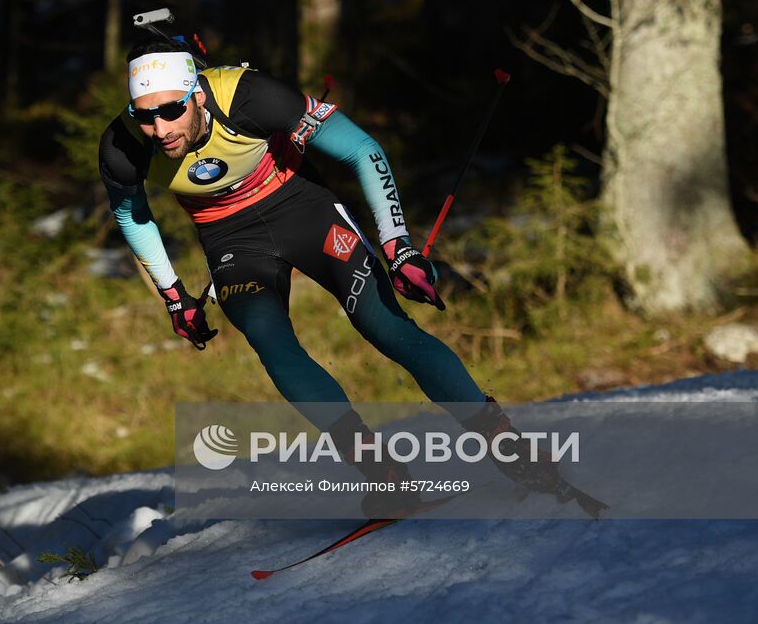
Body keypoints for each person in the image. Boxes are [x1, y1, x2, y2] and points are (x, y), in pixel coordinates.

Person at [98, 34, 568, 517]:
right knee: (273, 345)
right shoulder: (123, 145)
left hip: (303, 207)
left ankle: (508, 446)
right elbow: (134, 217)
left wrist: (398, 247)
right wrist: (175, 297)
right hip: (230, 241)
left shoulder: (249, 96)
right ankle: (383, 474)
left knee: (383, 326)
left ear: (196, 94)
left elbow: (363, 149)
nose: (159, 128)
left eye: (171, 110)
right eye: (144, 114)